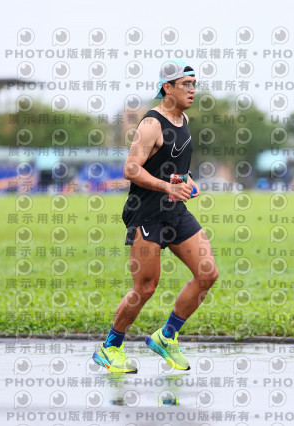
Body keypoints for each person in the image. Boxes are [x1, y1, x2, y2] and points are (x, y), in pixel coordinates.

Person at [92, 59, 218, 373]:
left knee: (207, 273)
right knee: (146, 286)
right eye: (186, 84)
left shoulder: (183, 119)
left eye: (194, 84)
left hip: (174, 212)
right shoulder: (151, 124)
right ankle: (110, 348)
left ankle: (166, 336)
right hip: (146, 214)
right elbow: (131, 169)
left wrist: (186, 180)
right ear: (167, 87)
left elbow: (170, 164)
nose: (192, 90)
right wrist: (167, 187)